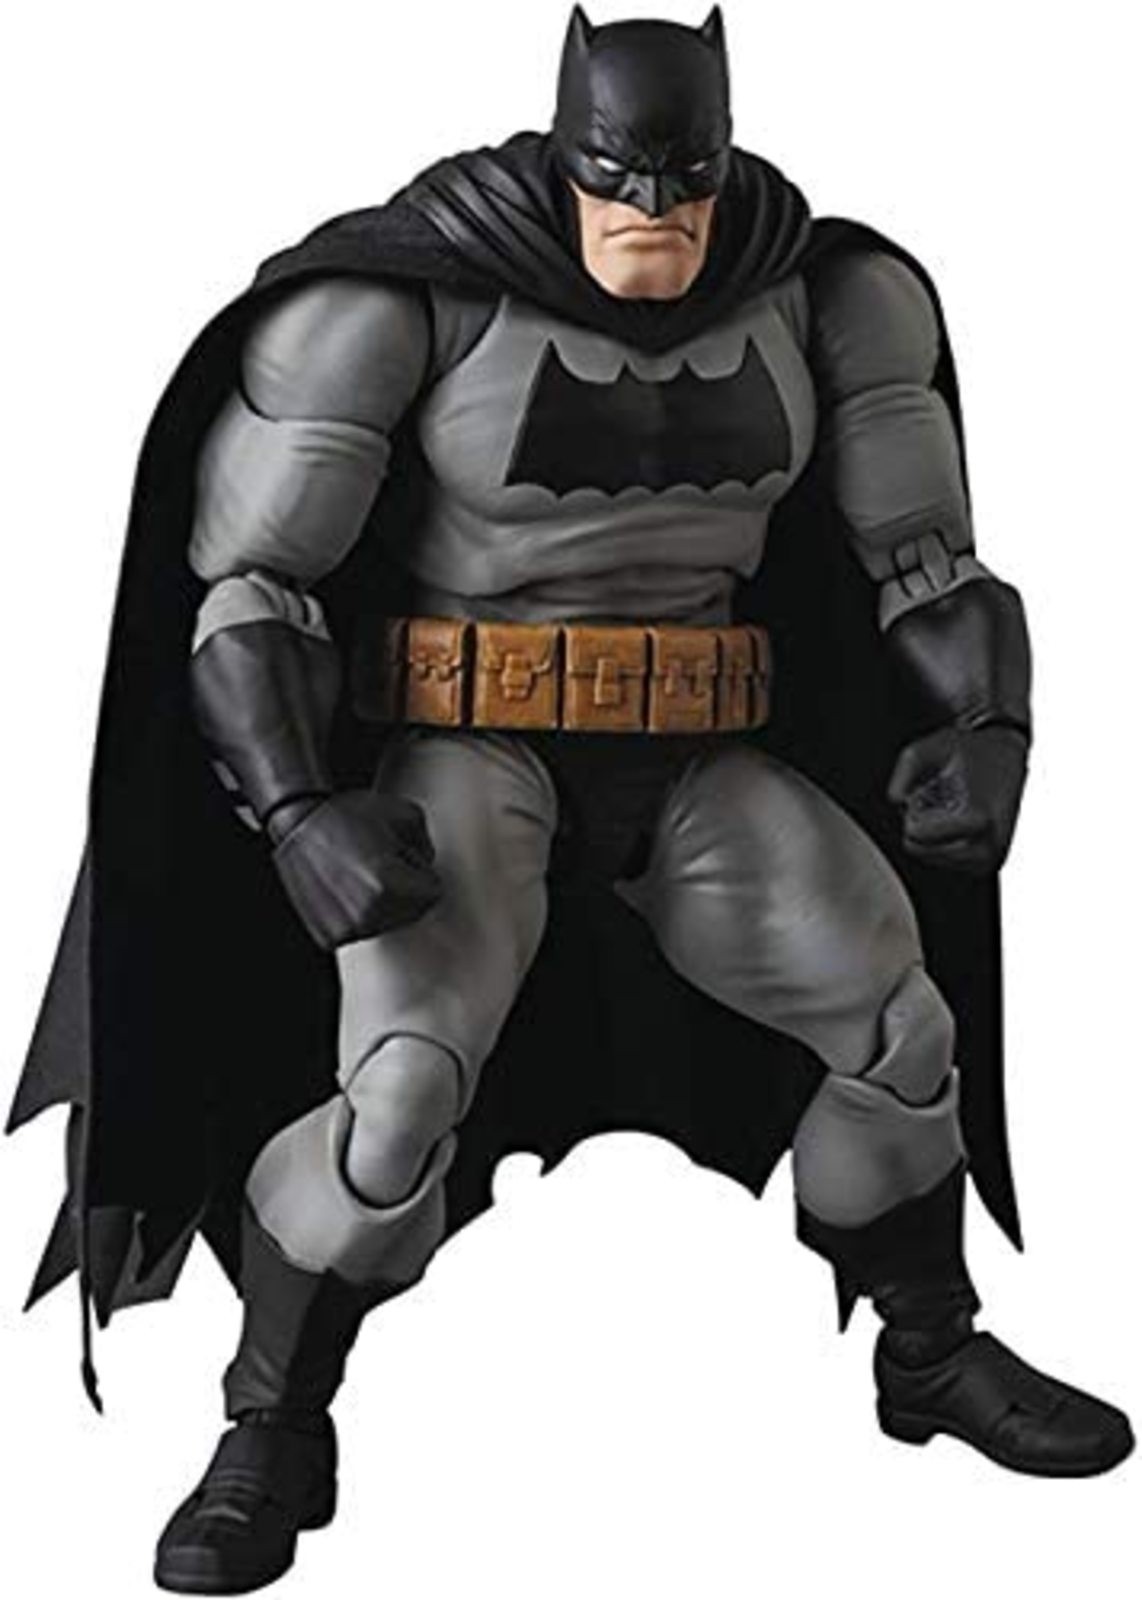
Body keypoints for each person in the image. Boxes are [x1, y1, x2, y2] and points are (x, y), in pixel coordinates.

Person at [10, 10, 1132, 1595]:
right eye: (622, 178)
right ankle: (272, 1422)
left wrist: (991, 721)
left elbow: (923, 557)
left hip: (698, 760)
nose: (654, 213)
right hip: (470, 756)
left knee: (897, 1028)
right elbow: (254, 585)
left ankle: (927, 1351)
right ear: (565, 158)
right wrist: (296, 809)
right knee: (401, 1087)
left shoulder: (826, 296)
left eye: (686, 181)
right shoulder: (399, 302)